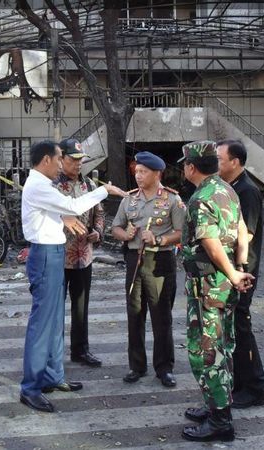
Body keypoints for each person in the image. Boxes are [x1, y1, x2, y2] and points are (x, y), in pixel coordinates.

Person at [19, 139, 127, 413]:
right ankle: (30, 387)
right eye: (58, 160)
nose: (60, 165)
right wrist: (104, 190)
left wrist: (65, 215)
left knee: (55, 320)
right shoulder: (40, 185)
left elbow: (65, 212)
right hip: (44, 254)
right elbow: (74, 207)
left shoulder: (42, 185)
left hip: (54, 253)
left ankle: (54, 377)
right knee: (42, 323)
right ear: (46, 160)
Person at [178, 140, 255, 442]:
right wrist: (240, 266)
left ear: (192, 167)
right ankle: (215, 404)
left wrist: (234, 273)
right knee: (224, 347)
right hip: (224, 285)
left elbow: (210, 244)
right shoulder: (228, 190)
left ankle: (221, 421)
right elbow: (242, 233)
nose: (183, 168)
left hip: (208, 286)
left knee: (206, 352)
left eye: (184, 164)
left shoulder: (201, 198)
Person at [111, 151, 186, 387]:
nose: (138, 175)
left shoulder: (172, 200)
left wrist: (159, 240)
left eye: (143, 172)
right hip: (134, 260)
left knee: (161, 316)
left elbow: (181, 233)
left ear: (157, 173)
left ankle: (164, 368)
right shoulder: (129, 199)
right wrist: (126, 234)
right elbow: (116, 227)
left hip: (161, 261)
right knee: (135, 314)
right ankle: (137, 365)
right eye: (136, 171)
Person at [216, 139, 264, 408]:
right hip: (233, 272)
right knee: (234, 331)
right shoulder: (231, 187)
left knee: (242, 329)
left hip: (242, 273)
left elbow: (244, 235)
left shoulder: (247, 191)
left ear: (234, 162)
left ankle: (257, 388)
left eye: (220, 159)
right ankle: (240, 384)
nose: (216, 164)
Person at [53, 138, 105, 368]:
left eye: (80, 160)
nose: (77, 164)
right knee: (54, 308)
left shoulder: (90, 186)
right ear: (61, 159)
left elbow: (99, 214)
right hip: (57, 257)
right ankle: (52, 354)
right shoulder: (52, 187)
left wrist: (98, 232)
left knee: (81, 307)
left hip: (84, 257)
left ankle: (80, 350)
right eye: (73, 160)